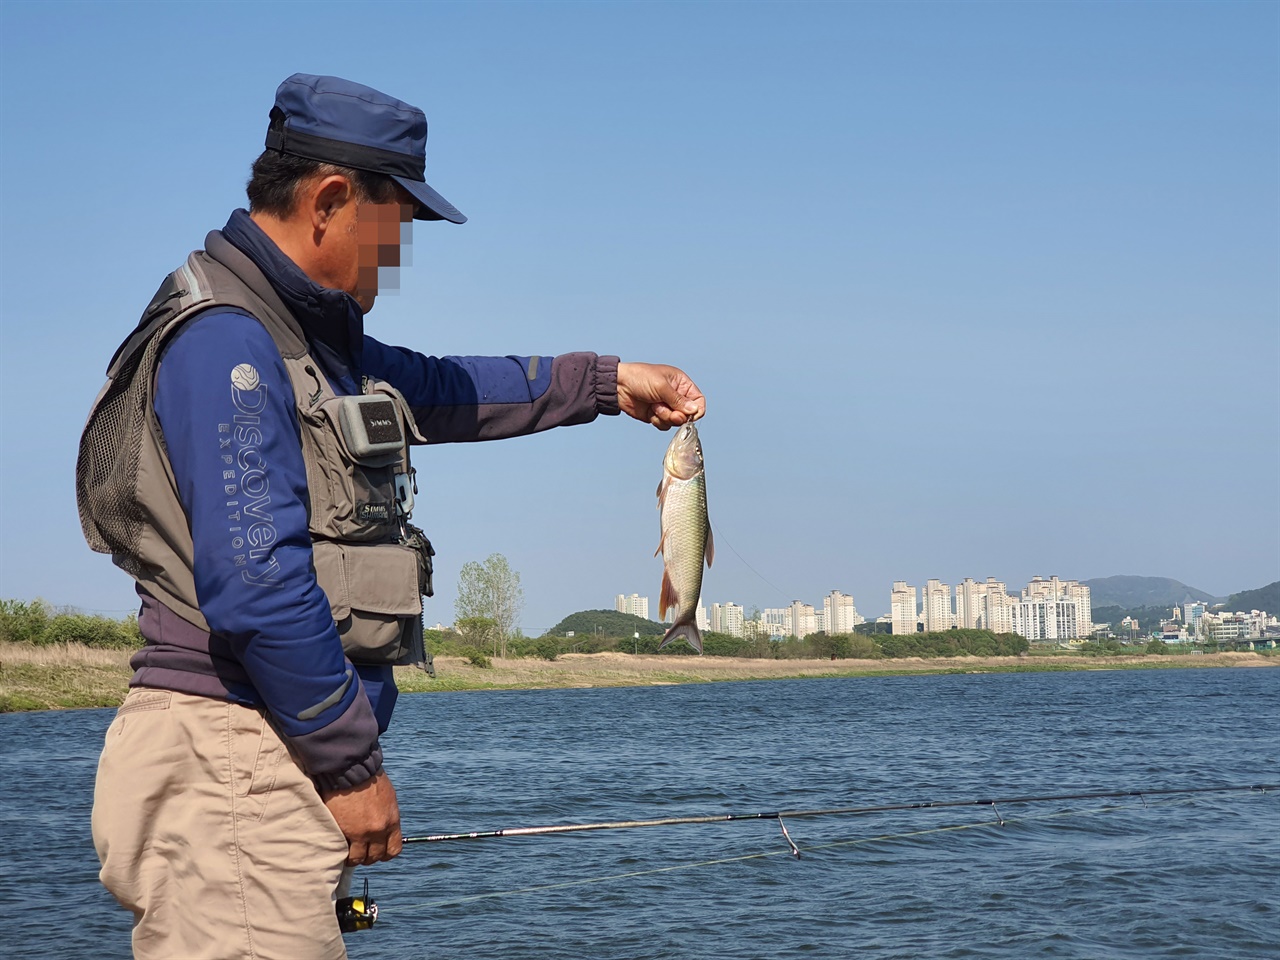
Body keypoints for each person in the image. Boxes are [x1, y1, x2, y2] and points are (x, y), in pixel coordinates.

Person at [78, 74, 705, 960]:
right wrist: (350, 762)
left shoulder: (309, 343)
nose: (396, 258)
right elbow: (257, 581)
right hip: (234, 766)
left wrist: (604, 383)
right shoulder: (229, 343)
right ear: (332, 200)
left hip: (262, 758)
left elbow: (447, 388)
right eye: (396, 229)